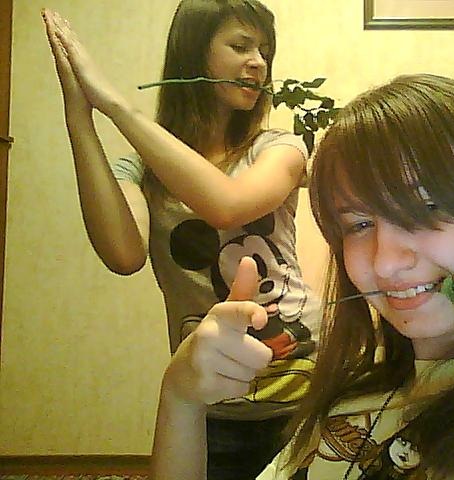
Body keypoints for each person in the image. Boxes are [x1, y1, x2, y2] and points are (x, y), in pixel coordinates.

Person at [155, 73, 454, 480]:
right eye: (358, 225)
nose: (385, 263)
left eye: (426, 207)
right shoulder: (341, 412)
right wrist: (182, 399)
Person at [42, 2, 320, 479]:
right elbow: (123, 254)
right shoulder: (142, 171)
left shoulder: (278, 149)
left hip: (305, 386)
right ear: (194, 53)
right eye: (240, 46)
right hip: (210, 394)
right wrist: (79, 113)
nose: (258, 62)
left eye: (265, 51)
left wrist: (115, 104)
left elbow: (227, 205)